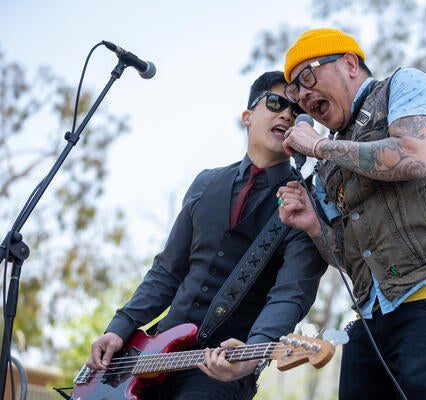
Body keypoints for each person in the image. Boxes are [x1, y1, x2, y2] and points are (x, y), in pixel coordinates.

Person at [276, 28, 426, 400]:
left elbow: (413, 156)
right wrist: (314, 226)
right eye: (295, 92)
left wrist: (318, 146)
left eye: (307, 77)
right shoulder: (330, 157)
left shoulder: (403, 85)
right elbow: (352, 258)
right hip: (374, 312)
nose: (302, 95)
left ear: (350, 63)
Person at [84, 71, 327, 400]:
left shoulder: (305, 206)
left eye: (298, 112)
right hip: (148, 356)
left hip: (221, 370)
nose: (287, 114)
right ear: (247, 116)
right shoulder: (205, 183)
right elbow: (167, 271)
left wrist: (252, 355)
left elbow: (290, 294)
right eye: (276, 103)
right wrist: (119, 328)